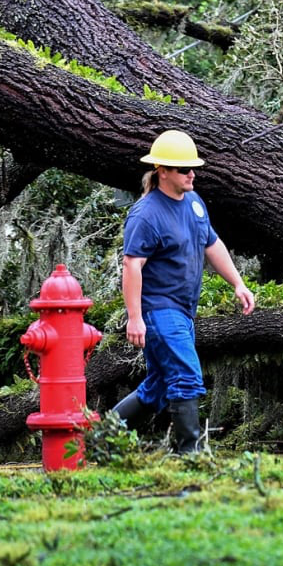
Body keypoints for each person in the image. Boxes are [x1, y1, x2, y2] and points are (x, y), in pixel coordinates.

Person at [111, 129, 255, 454]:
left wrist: (238, 284)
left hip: (184, 310)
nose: (192, 174)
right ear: (162, 171)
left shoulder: (193, 201)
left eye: (193, 168)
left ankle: (96, 439)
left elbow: (212, 243)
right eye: (183, 169)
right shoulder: (146, 214)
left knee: (157, 388)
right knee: (187, 377)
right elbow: (132, 266)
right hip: (160, 311)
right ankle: (190, 455)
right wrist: (135, 318)